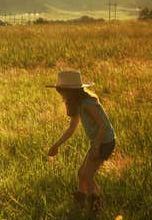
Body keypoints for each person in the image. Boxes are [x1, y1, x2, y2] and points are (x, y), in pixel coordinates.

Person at [47, 70, 116, 212]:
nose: (61, 95)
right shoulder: (77, 103)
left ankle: (95, 206)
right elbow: (72, 127)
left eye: (62, 91)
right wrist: (57, 145)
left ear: (71, 91)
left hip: (105, 142)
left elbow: (104, 126)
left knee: (87, 175)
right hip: (98, 142)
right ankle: (80, 203)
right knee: (81, 173)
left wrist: (96, 147)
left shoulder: (88, 103)